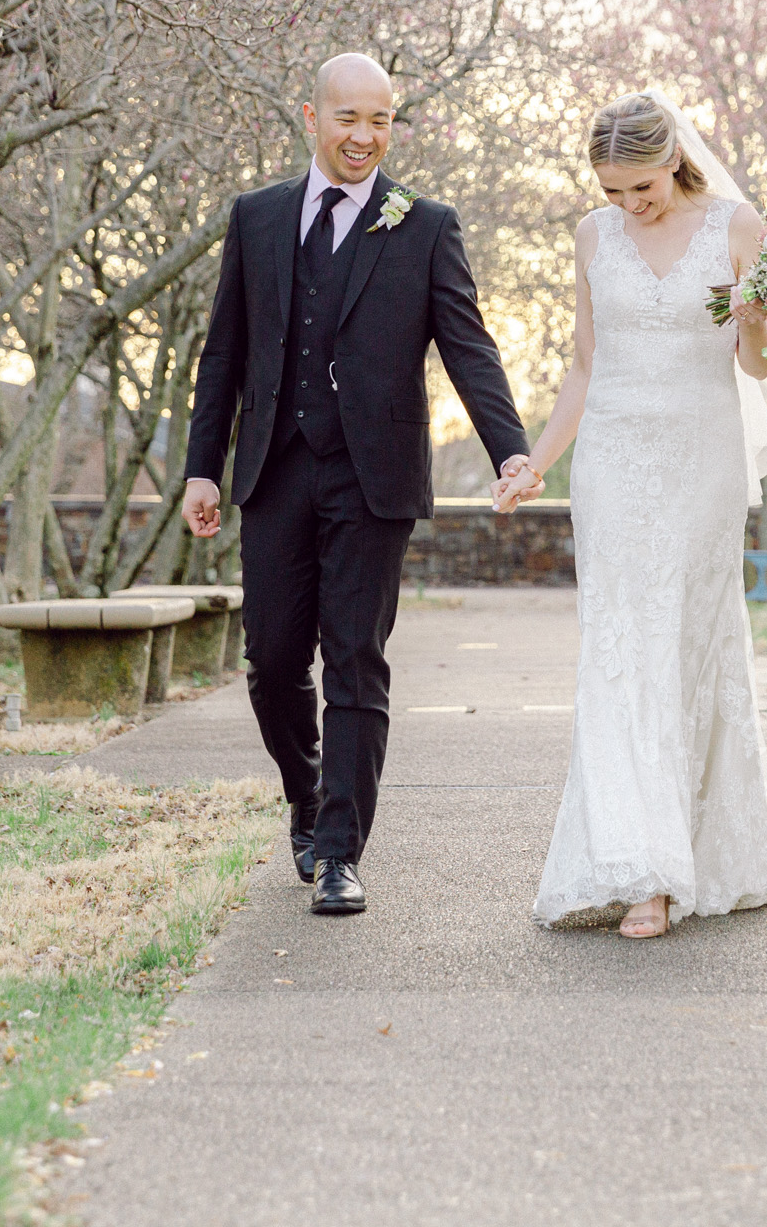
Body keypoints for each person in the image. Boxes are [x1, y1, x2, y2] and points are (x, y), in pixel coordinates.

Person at [182, 53, 532, 916]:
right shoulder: (257, 218)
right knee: (270, 663)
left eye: (382, 120)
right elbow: (224, 351)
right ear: (313, 116)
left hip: (374, 478)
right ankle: (306, 798)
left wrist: (509, 450)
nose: (366, 137)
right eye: (350, 119)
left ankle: (339, 852)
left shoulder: (425, 224)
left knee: (355, 661)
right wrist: (201, 464)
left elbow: (469, 346)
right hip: (273, 470)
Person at [492, 92, 767, 939]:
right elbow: (582, 366)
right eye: (612, 192)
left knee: (686, 646)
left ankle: (686, 863)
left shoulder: (738, 226)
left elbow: (756, 364)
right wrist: (537, 460)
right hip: (612, 466)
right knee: (620, 650)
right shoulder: (594, 239)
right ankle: (638, 864)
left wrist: (757, 320)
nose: (630, 205)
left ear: (673, 157)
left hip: (702, 461)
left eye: (640, 187)